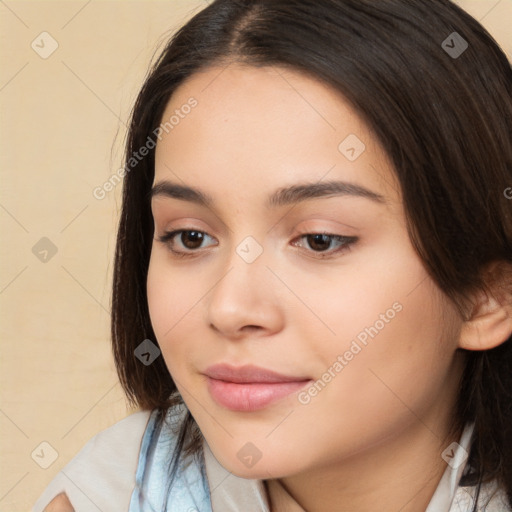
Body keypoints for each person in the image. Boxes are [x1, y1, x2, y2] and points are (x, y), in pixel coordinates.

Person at [33, 0, 512, 510]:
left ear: (487, 297)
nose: (229, 309)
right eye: (190, 237)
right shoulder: (103, 495)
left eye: (319, 240)